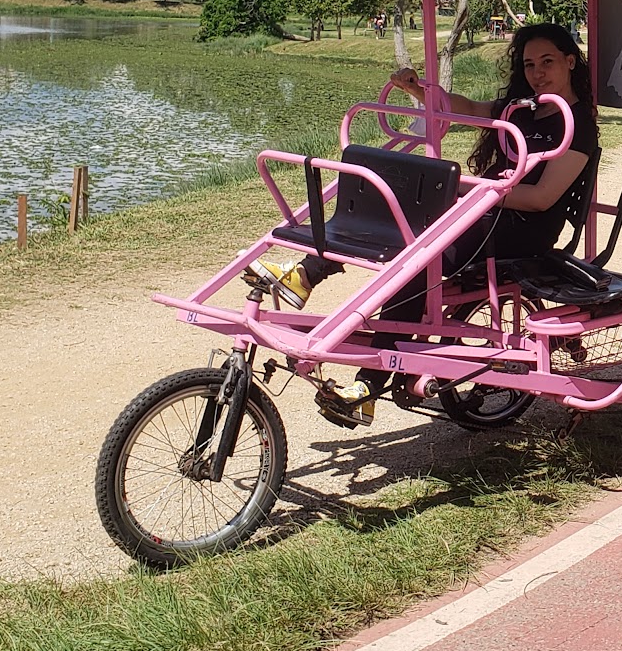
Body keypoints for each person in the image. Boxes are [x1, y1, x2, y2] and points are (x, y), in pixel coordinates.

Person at [252, 23, 600, 422]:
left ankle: (369, 384)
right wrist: (419, 92)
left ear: (570, 62)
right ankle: (306, 275)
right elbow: (468, 109)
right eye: (529, 65)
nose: (538, 73)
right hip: (487, 210)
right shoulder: (522, 107)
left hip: (523, 229)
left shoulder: (578, 126)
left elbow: (541, 199)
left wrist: (471, 192)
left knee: (420, 262)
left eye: (548, 62)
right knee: (401, 213)